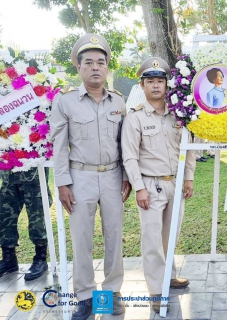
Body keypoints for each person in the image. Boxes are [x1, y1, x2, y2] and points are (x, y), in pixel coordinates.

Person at [50, 33, 131, 320]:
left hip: (112, 176)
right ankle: (84, 296)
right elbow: (59, 145)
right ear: (79, 67)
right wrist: (62, 182)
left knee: (114, 235)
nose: (95, 67)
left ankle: (111, 292)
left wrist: (126, 176)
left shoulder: (119, 104)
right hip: (79, 177)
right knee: (81, 238)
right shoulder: (66, 102)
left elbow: (126, 145)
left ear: (107, 67)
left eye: (101, 62)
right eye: (89, 63)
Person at [121, 57, 196, 314]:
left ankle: (168, 276)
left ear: (167, 84)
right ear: (142, 86)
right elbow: (129, 156)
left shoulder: (179, 114)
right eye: (150, 81)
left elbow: (188, 147)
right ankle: (155, 290)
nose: (155, 86)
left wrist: (188, 177)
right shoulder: (135, 118)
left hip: (174, 182)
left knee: (170, 235)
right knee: (152, 239)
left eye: (160, 81)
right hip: (150, 186)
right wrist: (139, 187)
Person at [0, 168, 52, 281]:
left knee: (36, 219)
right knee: (4, 216)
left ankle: (40, 259)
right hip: (9, 176)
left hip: (33, 176)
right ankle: (8, 259)